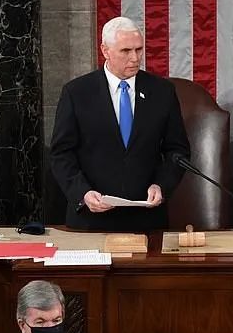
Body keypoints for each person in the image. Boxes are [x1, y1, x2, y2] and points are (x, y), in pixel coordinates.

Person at [50, 16, 191, 232]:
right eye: (126, 51)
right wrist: (83, 193)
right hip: (91, 220)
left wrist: (161, 185)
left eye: (139, 49)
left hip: (147, 219)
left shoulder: (162, 92)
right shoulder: (77, 93)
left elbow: (177, 150)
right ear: (105, 51)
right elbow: (61, 153)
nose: (135, 58)